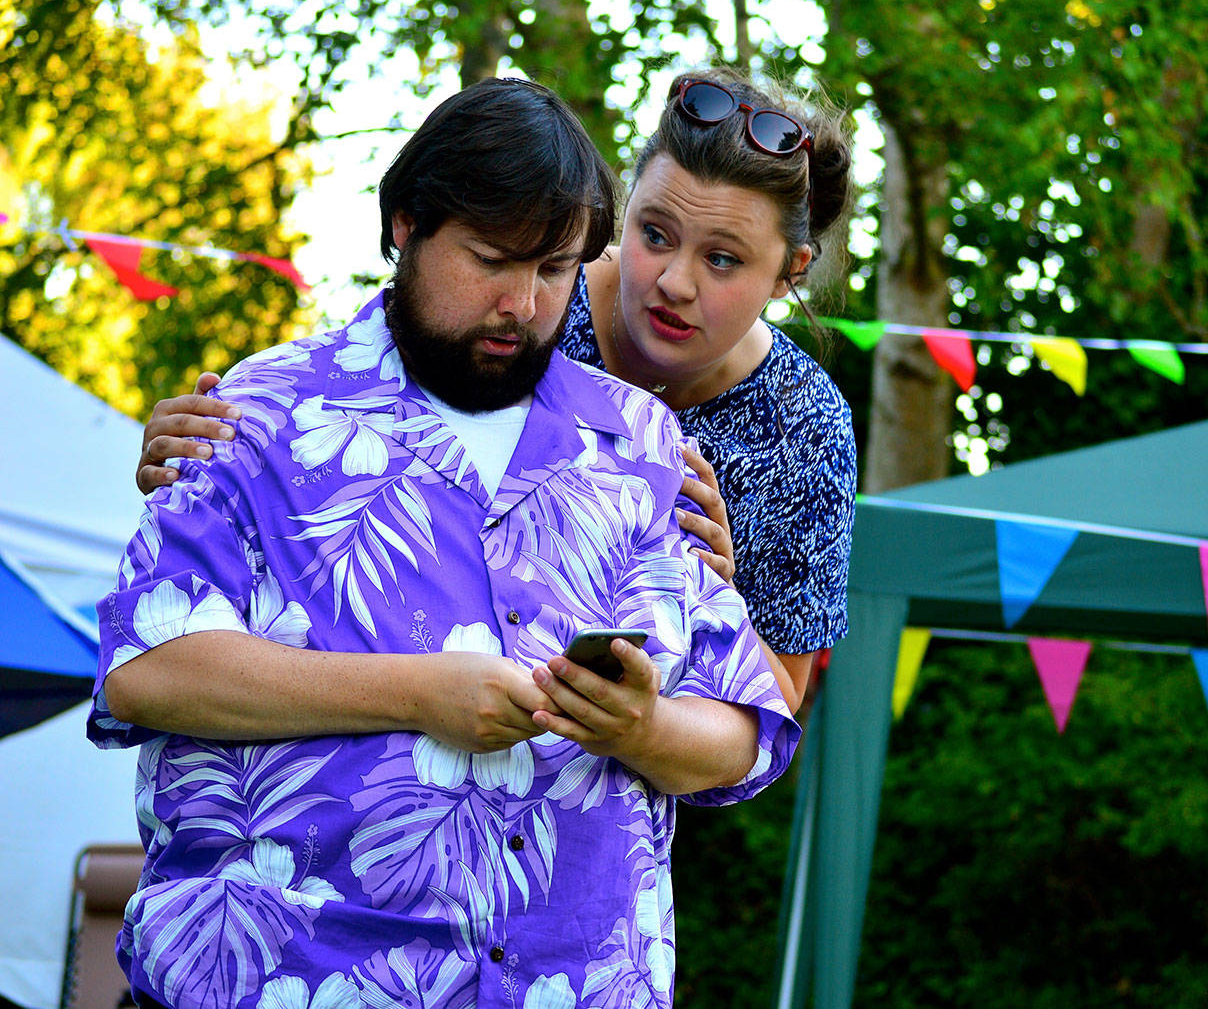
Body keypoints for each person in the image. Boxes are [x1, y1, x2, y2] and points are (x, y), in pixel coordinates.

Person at [93, 77, 799, 1009]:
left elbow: (750, 730)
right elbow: (145, 666)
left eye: (554, 270)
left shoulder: (642, 444)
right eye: (491, 260)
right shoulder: (253, 413)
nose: (522, 301)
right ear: (406, 224)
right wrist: (421, 691)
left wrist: (644, 727)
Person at [138, 68, 858, 713]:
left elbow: (775, 701)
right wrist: (227, 446)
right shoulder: (528, 295)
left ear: (789, 272)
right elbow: (351, 414)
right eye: (655, 234)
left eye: (723, 259)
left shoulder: (807, 429)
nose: (674, 280)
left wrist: (705, 602)